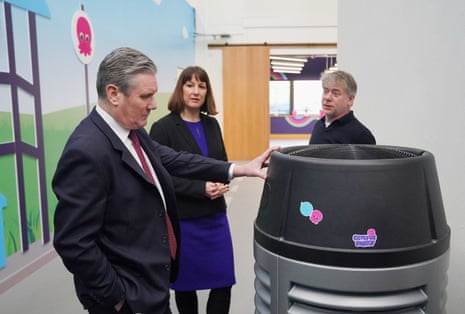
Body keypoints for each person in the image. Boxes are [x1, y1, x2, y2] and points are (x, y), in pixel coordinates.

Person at [52, 47, 276, 314]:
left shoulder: (132, 132)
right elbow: (73, 242)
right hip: (128, 297)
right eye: (146, 96)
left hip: (150, 285)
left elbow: (177, 159)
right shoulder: (87, 150)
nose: (154, 104)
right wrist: (116, 296)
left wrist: (238, 169)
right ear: (114, 94)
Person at [149, 66, 232, 314]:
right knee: (186, 286)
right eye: (189, 85)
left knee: (224, 281)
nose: (196, 91)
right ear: (180, 89)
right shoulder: (162, 128)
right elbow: (161, 178)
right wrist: (200, 188)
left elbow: (221, 162)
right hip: (184, 221)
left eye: (202, 86)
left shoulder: (212, 125)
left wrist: (220, 183)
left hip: (215, 218)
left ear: (207, 92)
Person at [309, 70, 376, 144]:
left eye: (336, 94)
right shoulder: (318, 125)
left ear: (350, 99)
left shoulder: (361, 135)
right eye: (326, 91)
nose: (328, 98)